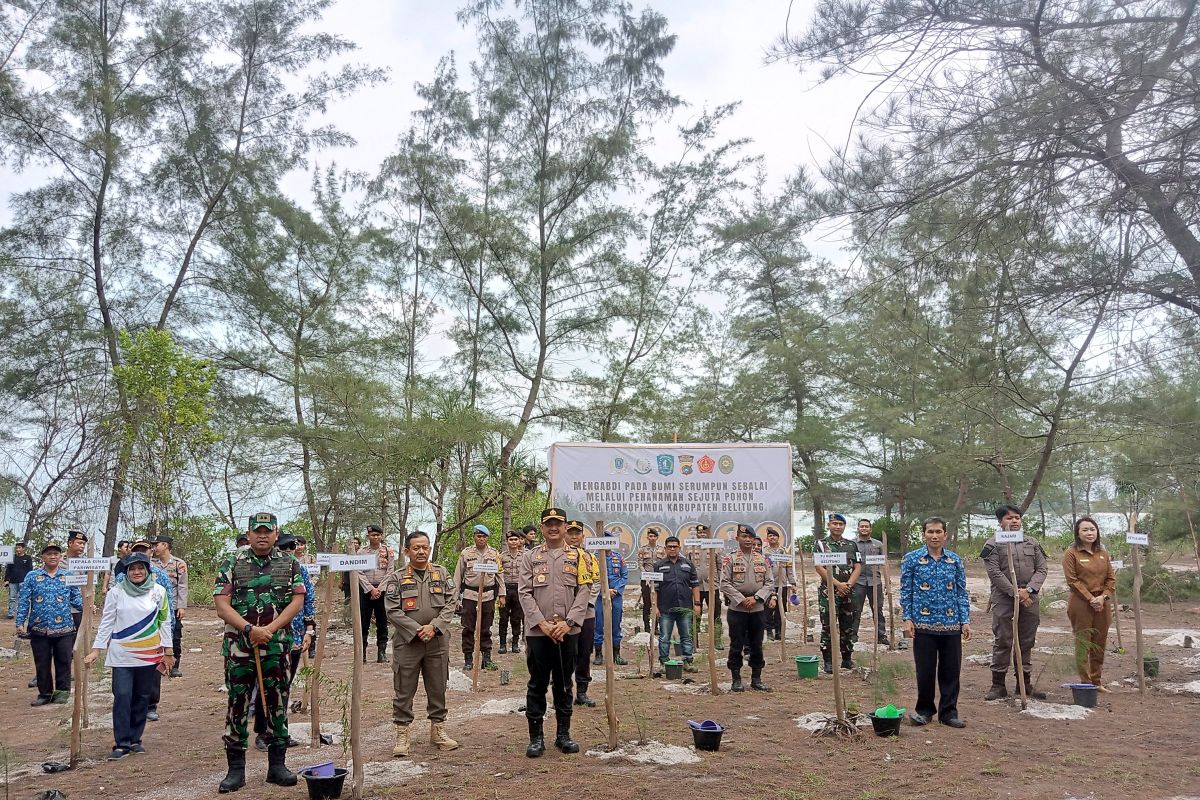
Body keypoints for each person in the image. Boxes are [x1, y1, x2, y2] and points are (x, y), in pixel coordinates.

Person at [212, 511, 306, 793]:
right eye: (257, 531)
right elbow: (221, 605)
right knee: (237, 704)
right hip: (240, 647)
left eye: (268, 531)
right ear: (249, 534)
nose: (262, 535)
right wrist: (249, 629)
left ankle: (277, 766)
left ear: (276, 533)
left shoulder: (289, 563)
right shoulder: (232, 563)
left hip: (276, 646)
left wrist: (271, 629)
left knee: (277, 702)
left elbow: (297, 600)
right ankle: (236, 770)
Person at [518, 507, 592, 758]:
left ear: (564, 527)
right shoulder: (530, 557)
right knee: (537, 684)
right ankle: (536, 738)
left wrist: (569, 622)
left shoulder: (580, 556)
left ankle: (563, 735)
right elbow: (524, 592)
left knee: (563, 684)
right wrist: (542, 623)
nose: (553, 528)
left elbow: (584, 590)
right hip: (540, 633)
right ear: (541, 528)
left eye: (557, 524)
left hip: (567, 632)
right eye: (548, 524)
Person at [84, 552, 174, 759]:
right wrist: (96, 649)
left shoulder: (158, 591)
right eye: (132, 568)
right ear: (126, 571)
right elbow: (107, 622)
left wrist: (168, 651)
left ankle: (136, 740)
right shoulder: (116, 592)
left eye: (140, 568)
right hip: (122, 654)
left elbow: (164, 622)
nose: (136, 572)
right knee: (122, 696)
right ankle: (121, 743)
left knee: (142, 697)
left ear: (147, 570)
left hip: (148, 654)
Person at [384, 530, 459, 757]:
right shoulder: (397, 578)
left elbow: (451, 601)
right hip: (408, 643)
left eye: (425, 547)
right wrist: (417, 630)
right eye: (416, 548)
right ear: (407, 551)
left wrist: (434, 627)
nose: (421, 551)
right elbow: (392, 611)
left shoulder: (441, 573)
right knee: (404, 689)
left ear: (430, 549)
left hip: (436, 641)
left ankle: (438, 729)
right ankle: (402, 733)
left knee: (437, 686)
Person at [900, 517, 970, 728]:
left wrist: (964, 621)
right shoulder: (912, 559)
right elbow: (906, 591)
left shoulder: (954, 560)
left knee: (951, 670)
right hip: (923, 624)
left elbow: (961, 592)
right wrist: (907, 618)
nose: (934, 535)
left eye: (938, 532)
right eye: (930, 532)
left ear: (945, 535)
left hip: (951, 624)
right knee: (925, 670)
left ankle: (948, 713)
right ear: (924, 535)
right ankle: (924, 711)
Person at [250, 531, 314, 752]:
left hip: (293, 639)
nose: (288, 553)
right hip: (268, 637)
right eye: (283, 549)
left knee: (283, 686)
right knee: (265, 685)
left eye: (291, 548)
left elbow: (308, 601)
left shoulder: (299, 571)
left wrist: (310, 630)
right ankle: (262, 731)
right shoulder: (262, 572)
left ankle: (280, 730)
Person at [981, 505, 1048, 700]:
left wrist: (1028, 591)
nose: (1014, 521)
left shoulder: (1032, 543)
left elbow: (1042, 569)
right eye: (1009, 518)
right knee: (1003, 640)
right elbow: (994, 573)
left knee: (1026, 641)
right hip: (1004, 599)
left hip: (1030, 598)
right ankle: (998, 685)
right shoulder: (992, 545)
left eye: (1017, 517)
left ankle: (1024, 684)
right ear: (1000, 522)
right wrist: (1015, 593)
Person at [16, 541, 82, 705]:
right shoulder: (32, 576)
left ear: (60, 556)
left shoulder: (68, 576)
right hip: (39, 627)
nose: (53, 556)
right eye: (49, 554)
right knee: (42, 662)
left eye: (56, 554)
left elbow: (77, 599)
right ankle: (45, 694)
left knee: (64, 661)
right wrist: (20, 622)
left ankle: (61, 693)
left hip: (64, 627)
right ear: (43, 557)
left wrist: (89, 606)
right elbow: (24, 601)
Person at [123, 539, 176, 722]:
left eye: (144, 551)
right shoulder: (123, 576)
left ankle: (151, 705)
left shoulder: (160, 575)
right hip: (130, 634)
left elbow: (168, 603)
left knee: (153, 672)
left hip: (154, 633)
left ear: (151, 553)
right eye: (137, 550)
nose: (141, 554)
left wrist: (168, 634)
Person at [1061, 516, 1116, 691]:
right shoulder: (1071, 553)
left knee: (1100, 642)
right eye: (1085, 530)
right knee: (1083, 641)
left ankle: (1097, 681)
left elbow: (1111, 579)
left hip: (1102, 603)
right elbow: (1072, 580)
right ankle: (1085, 682)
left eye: (1092, 529)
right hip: (1081, 602)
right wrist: (1091, 599)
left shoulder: (1103, 553)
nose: (1089, 533)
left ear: (1097, 531)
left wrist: (1103, 597)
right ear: (1078, 533)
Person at [720, 523, 776, 691]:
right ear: (737, 538)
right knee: (736, 644)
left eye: (750, 537)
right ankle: (736, 679)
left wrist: (757, 598)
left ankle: (756, 679)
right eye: (744, 537)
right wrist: (741, 599)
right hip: (737, 609)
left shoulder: (763, 558)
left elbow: (770, 582)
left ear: (754, 539)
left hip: (757, 609)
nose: (747, 540)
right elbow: (724, 583)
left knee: (757, 644)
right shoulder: (730, 559)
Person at [813, 513, 862, 673]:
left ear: (844, 527)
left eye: (840, 524)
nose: (837, 527)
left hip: (848, 592)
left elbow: (858, 567)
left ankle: (847, 658)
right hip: (829, 592)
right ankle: (828, 661)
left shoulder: (851, 545)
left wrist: (847, 585)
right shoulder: (821, 544)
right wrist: (837, 584)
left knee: (848, 626)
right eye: (834, 523)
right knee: (828, 626)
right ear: (829, 525)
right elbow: (819, 567)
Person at [453, 524, 502, 671]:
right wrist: (455, 598)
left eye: (484, 536)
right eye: (478, 536)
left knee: (486, 628)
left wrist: (502, 595)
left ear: (487, 538)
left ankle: (486, 658)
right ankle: (468, 658)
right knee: (468, 628)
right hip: (469, 595)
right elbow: (457, 577)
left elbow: (500, 576)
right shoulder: (466, 553)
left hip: (487, 596)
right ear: (474, 537)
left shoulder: (494, 554)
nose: (481, 539)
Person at [564, 521, 599, 707]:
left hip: (586, 613)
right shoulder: (557, 556)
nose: (574, 536)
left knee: (584, 652)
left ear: (583, 536)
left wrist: (583, 605)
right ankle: (563, 691)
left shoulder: (589, 558)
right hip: (562, 615)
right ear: (564, 534)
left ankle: (582, 691)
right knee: (564, 654)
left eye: (577, 533)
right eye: (570, 533)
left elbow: (596, 583)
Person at [653, 536, 700, 670]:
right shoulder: (658, 565)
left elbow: (695, 585)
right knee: (664, 637)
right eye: (670, 547)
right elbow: (655, 589)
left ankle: (687, 661)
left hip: (685, 607)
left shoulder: (688, 564)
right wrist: (655, 606)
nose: (672, 549)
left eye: (675, 546)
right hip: (665, 608)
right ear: (665, 549)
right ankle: (664, 663)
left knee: (686, 636)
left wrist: (697, 604)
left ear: (679, 548)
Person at [152, 534, 189, 677]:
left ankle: (174, 666)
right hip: (155, 606)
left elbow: (182, 586)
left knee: (175, 636)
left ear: (165, 546)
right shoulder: (152, 564)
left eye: (157, 545)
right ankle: (157, 665)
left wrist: (181, 606)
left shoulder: (178, 564)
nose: (154, 548)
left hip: (172, 606)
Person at [358, 524, 394, 663]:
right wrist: (370, 589)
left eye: (378, 535)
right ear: (368, 536)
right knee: (364, 622)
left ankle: (382, 653)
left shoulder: (388, 551)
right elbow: (358, 571)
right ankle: (362, 654)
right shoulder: (361, 553)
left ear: (381, 536)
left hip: (382, 590)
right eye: (373, 535)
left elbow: (390, 571)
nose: (376, 537)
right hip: (366, 590)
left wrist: (379, 588)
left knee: (382, 621)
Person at [685, 523, 724, 650]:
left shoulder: (715, 548)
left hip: (712, 586)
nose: (702, 535)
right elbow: (687, 567)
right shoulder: (691, 548)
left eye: (704, 533)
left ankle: (717, 640)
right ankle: (693, 641)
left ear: (708, 534)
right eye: (700, 533)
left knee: (715, 613)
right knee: (695, 613)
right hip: (696, 586)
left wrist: (720, 582)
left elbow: (720, 567)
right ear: (697, 534)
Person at [851, 518, 889, 646]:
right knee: (856, 609)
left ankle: (881, 635)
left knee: (877, 609)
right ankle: (852, 635)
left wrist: (887, 579)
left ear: (870, 529)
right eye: (862, 526)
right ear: (858, 528)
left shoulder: (878, 544)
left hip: (875, 581)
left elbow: (884, 562)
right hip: (858, 582)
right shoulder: (852, 544)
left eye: (866, 526)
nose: (864, 529)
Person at [592, 530, 628, 666]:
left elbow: (624, 576)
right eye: (603, 541)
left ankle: (616, 654)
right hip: (599, 595)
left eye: (608, 541)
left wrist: (615, 590)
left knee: (616, 622)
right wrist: (604, 591)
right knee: (598, 623)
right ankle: (599, 654)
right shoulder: (594, 558)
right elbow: (592, 578)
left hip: (616, 595)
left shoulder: (618, 557)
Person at [762, 528, 796, 641]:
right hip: (768, 585)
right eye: (770, 536)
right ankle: (769, 632)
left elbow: (789, 568)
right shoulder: (764, 552)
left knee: (780, 609)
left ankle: (779, 632)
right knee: (768, 608)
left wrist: (792, 582)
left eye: (774, 536)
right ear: (767, 538)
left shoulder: (784, 551)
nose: (772, 538)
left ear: (778, 538)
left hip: (782, 584)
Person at [498, 531, 526, 654]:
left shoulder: (525, 556)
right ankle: (502, 644)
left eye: (516, 539)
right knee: (503, 618)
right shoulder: (501, 557)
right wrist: (501, 594)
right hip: (505, 589)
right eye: (511, 540)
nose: (514, 542)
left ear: (519, 541)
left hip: (519, 590)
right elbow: (498, 575)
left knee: (517, 618)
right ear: (507, 541)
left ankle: (515, 643)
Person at [637, 528, 665, 633]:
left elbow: (664, 564)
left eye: (654, 536)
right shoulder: (642, 549)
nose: (652, 538)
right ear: (647, 537)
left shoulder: (662, 550)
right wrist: (646, 575)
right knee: (647, 603)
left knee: (657, 603)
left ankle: (656, 627)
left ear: (657, 537)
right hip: (646, 580)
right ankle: (647, 627)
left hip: (659, 579)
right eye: (650, 536)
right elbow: (640, 564)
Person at [5, 541, 32, 619]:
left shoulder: (28, 558)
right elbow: (8, 569)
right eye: (16, 548)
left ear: (23, 549)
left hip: (23, 581)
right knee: (12, 598)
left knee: (24, 598)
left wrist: (29, 580)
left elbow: (30, 570)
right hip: (12, 581)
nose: (17, 549)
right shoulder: (12, 557)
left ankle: (24, 614)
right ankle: (11, 613)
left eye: (19, 547)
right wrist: (6, 579)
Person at [340, 536, 361, 601]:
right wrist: (341, 581)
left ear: (359, 545)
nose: (354, 544)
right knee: (348, 600)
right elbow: (341, 570)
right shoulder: (345, 556)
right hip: (347, 581)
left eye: (356, 543)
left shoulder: (363, 555)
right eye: (352, 543)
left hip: (360, 581)